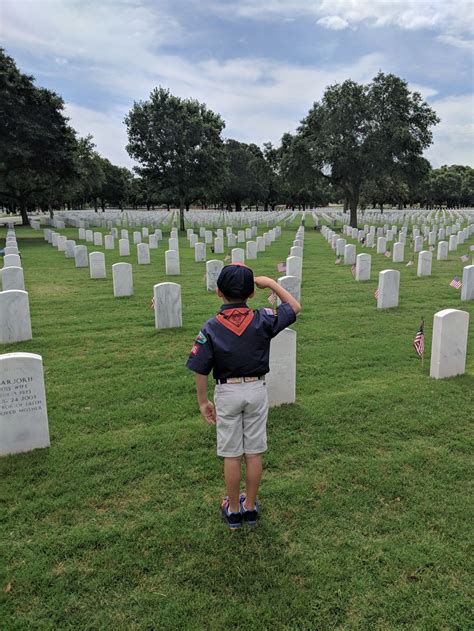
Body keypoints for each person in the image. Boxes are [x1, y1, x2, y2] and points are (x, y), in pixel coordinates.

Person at [186, 264, 301, 530]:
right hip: (256, 390)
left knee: (231, 453)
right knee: (254, 452)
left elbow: (200, 367)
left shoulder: (211, 327)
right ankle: (250, 506)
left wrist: (203, 401)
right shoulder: (263, 318)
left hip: (227, 392)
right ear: (251, 293)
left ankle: (234, 510)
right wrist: (271, 283)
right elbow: (294, 307)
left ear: (218, 292)